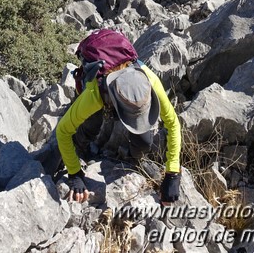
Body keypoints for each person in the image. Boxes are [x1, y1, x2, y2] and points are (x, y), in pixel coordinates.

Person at [56, 30, 182, 205]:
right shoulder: (95, 96)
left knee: (144, 142)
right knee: (91, 126)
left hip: (118, 89)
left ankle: (132, 158)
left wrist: (173, 174)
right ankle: (79, 150)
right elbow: (63, 131)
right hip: (99, 85)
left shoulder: (150, 81)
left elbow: (173, 123)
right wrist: (74, 173)